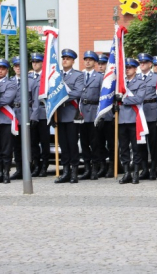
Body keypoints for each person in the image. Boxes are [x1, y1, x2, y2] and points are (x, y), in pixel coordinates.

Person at [53, 49, 84, 184]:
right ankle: (65, 171)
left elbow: (77, 93)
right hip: (59, 115)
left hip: (71, 114)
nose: (65, 60)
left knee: (72, 144)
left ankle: (74, 172)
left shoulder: (78, 75)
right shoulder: (56, 75)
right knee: (63, 145)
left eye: (68, 58)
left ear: (73, 61)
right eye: (63, 58)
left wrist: (60, 98)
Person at [117, 58, 147, 184]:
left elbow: (139, 99)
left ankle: (135, 172)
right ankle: (126, 172)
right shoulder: (120, 83)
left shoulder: (140, 83)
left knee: (136, 148)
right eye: (126, 68)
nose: (127, 70)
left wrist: (123, 100)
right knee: (123, 148)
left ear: (135, 69)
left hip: (134, 119)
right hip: (121, 120)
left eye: (130, 67)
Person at [0, 59, 18, 184]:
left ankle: (6, 173)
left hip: (6, 120)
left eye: (3, 68)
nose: (0, 71)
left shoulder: (11, 84)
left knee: (7, 149)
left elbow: (6, 100)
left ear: (7, 70)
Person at [80, 50, 103, 180]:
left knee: (95, 143)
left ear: (95, 62)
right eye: (86, 59)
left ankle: (95, 168)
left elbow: (103, 97)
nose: (87, 61)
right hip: (82, 112)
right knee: (84, 143)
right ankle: (87, 168)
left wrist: (101, 116)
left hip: (94, 111)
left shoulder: (99, 77)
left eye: (90, 60)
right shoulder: (79, 76)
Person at [137, 52, 157, 180]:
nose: (142, 64)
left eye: (144, 62)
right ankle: (144, 169)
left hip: (152, 112)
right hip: (140, 113)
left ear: (150, 64)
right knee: (141, 143)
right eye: (141, 63)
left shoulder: (156, 78)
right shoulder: (136, 77)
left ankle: (154, 169)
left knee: (154, 143)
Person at [9, 56, 31, 180]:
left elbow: (35, 101)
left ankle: (29, 168)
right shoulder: (10, 82)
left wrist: (33, 117)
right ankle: (18, 169)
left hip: (26, 114)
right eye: (16, 66)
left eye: (20, 66)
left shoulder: (31, 81)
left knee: (28, 144)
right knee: (16, 145)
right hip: (14, 116)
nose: (18, 68)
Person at [28, 53, 49, 177]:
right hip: (31, 113)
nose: (34, 64)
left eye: (37, 61)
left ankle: (45, 165)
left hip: (43, 112)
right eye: (33, 62)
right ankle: (36, 165)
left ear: (42, 63)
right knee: (33, 142)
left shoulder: (47, 77)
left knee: (44, 141)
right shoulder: (29, 77)